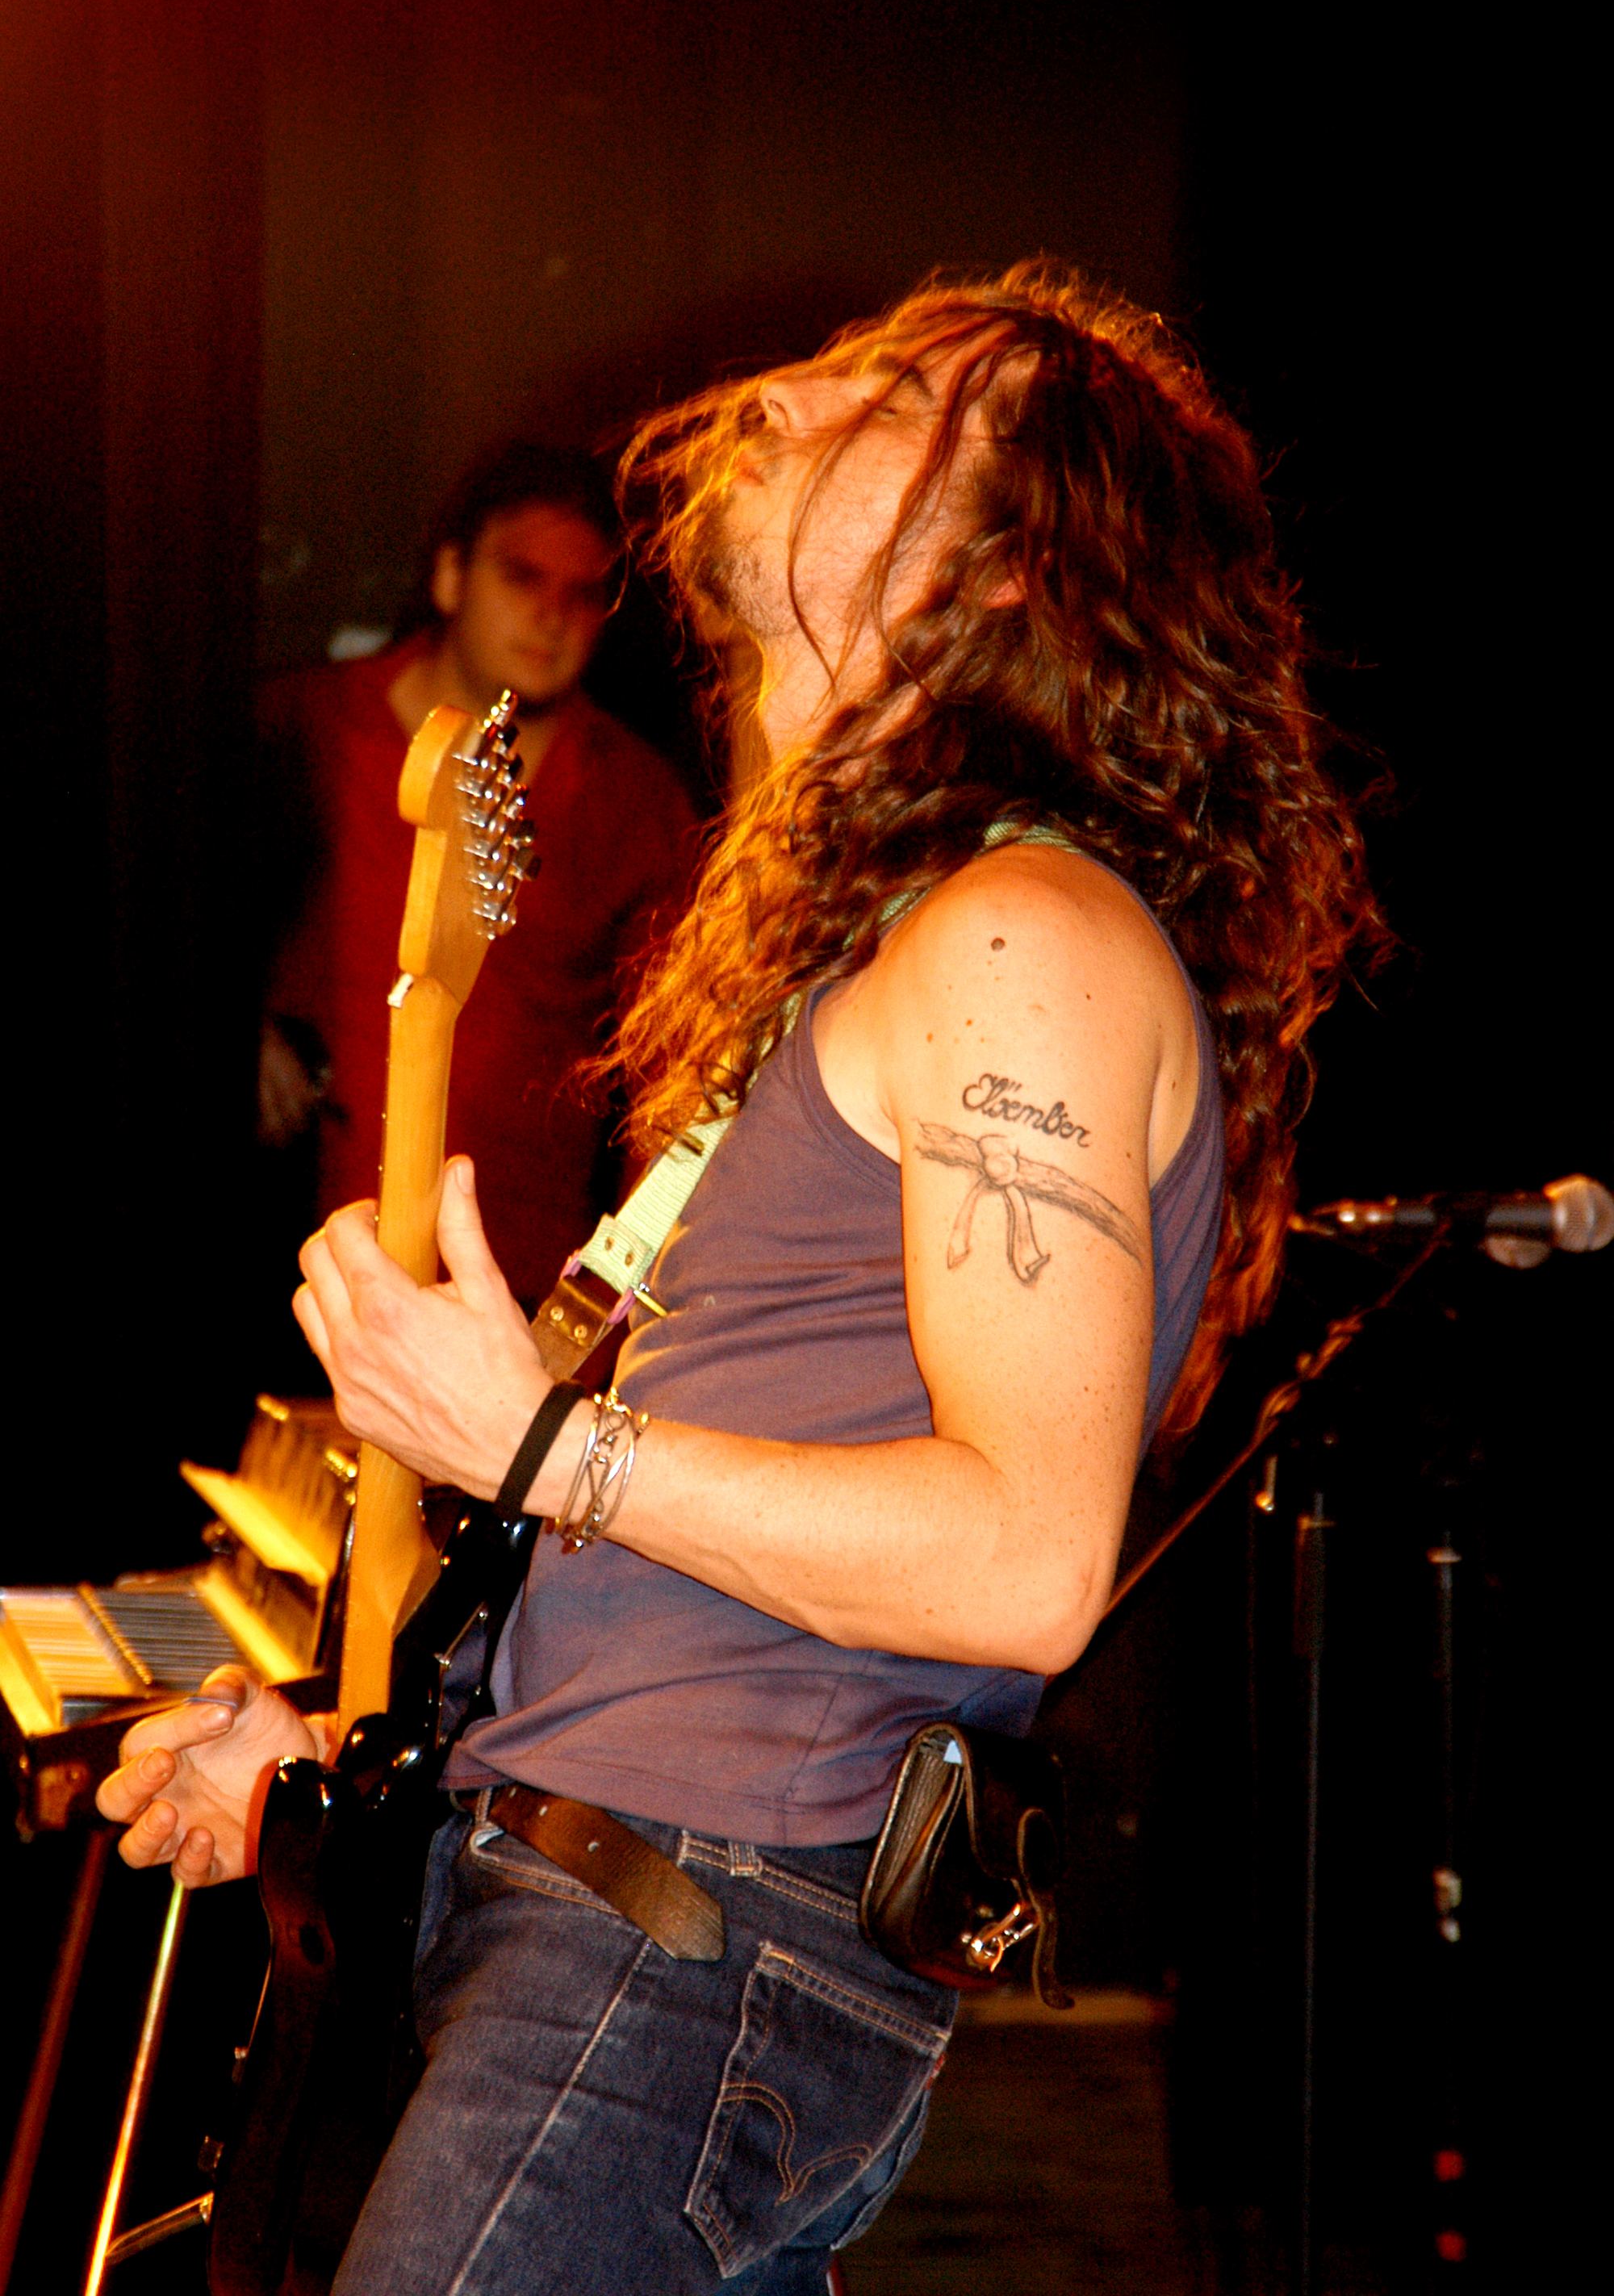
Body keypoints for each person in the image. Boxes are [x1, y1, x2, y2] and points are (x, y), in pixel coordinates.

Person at [99, 264, 1376, 2292]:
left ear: (1004, 564)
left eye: (891, 396)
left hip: (685, 1951)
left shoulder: (1021, 939)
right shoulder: (889, 943)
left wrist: (536, 1439)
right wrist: (342, 1762)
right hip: (611, 1915)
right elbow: (640, 1565)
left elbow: (1024, 1559)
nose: (797, 391)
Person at [259, 441, 699, 1308]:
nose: (550, 616)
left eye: (583, 594)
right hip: (295, 1268)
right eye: (522, 577)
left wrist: (606, 1307)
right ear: (451, 576)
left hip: (511, 1288)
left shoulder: (638, 803)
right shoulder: (308, 727)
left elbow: (674, 1085)